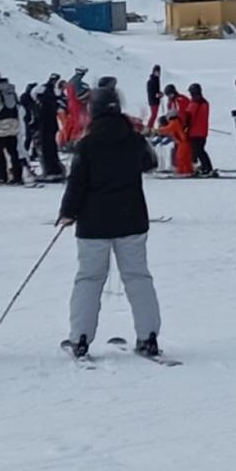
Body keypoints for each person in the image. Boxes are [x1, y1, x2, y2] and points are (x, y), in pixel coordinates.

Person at [59, 86, 162, 358]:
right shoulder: (134, 139)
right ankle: (148, 336)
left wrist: (68, 212)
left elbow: (77, 182)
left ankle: (80, 338)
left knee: (89, 279)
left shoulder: (87, 144)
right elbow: (150, 163)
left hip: (93, 224)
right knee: (138, 277)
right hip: (132, 219)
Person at [0, 73, 24, 184]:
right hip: (13, 123)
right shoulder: (10, 89)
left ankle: (2, 176)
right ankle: (17, 176)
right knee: (13, 151)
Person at [37, 73, 64, 180]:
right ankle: (54, 170)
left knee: (46, 147)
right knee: (51, 147)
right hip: (51, 123)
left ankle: (50, 170)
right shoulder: (52, 92)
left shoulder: (43, 90)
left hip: (45, 123)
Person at [184, 83, 215, 177]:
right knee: (200, 150)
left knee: (198, 150)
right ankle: (205, 166)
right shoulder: (204, 102)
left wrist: (185, 126)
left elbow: (189, 116)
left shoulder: (195, 103)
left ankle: (207, 168)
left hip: (195, 131)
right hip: (202, 130)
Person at [145, 65, 162, 131]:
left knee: (154, 115)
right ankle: (149, 127)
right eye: (156, 72)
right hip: (153, 100)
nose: (157, 73)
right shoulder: (151, 81)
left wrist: (159, 93)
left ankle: (150, 127)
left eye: (158, 72)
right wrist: (157, 95)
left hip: (156, 100)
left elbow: (156, 90)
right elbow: (150, 92)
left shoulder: (157, 80)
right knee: (153, 115)